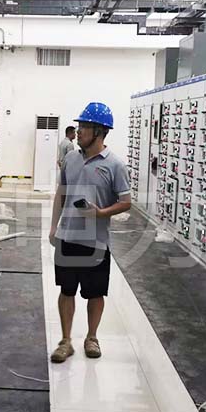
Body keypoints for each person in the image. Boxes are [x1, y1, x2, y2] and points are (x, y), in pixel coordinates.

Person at [48, 102, 131, 363]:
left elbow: (126, 202)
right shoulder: (71, 159)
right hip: (67, 238)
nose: (79, 131)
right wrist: (53, 227)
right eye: (80, 126)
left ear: (99, 131)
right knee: (67, 290)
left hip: (96, 242)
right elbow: (61, 194)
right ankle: (65, 341)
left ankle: (92, 337)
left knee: (95, 293)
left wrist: (101, 213)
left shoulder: (115, 165)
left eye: (84, 127)